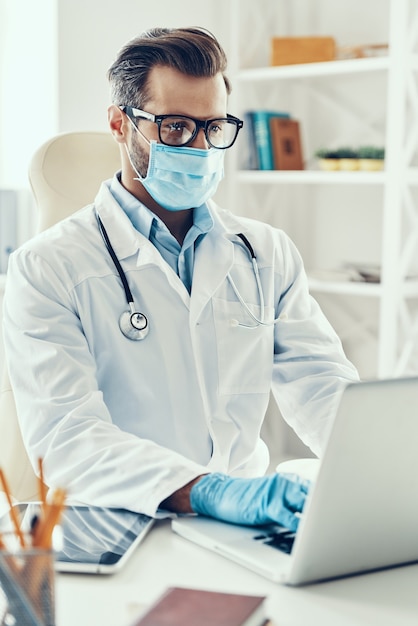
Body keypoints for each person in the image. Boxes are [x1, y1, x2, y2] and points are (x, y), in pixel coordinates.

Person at [3, 27, 358, 532]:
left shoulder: (265, 252)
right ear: (119, 124)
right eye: (174, 127)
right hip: (119, 523)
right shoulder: (47, 267)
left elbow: (323, 386)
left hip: (241, 526)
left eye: (212, 128)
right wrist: (209, 490)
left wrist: (374, 467)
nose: (197, 146)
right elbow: (66, 438)